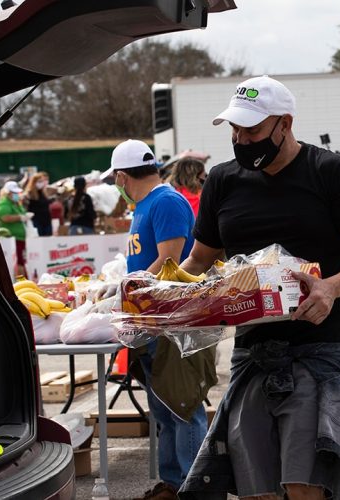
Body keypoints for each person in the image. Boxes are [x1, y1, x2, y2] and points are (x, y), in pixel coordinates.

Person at [177, 75, 340, 500]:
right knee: (257, 490)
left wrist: (330, 288)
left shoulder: (331, 173)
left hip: (317, 350)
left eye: (252, 130)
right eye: (235, 129)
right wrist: (155, 298)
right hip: (250, 353)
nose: (241, 138)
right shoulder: (222, 179)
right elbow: (199, 261)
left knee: (306, 487)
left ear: (284, 124)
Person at [101, 139, 215, 499]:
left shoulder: (165, 201)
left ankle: (190, 487)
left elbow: (171, 261)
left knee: (183, 407)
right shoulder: (149, 204)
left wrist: (128, 288)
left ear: (122, 176)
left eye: (116, 181)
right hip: (154, 321)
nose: (117, 187)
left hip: (173, 321)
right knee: (164, 411)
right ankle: (172, 483)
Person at [0, 180, 31, 277]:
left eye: (17, 193)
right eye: (14, 193)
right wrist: (20, 217)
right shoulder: (4, 203)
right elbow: (4, 217)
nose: (17, 194)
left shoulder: (16, 203)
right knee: (18, 262)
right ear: (8, 193)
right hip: (13, 238)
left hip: (20, 238)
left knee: (22, 262)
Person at [23, 172, 53, 236]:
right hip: (36, 221)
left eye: (43, 181)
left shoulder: (44, 193)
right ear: (34, 182)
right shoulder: (29, 193)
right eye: (39, 181)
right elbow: (25, 206)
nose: (42, 183)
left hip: (47, 220)